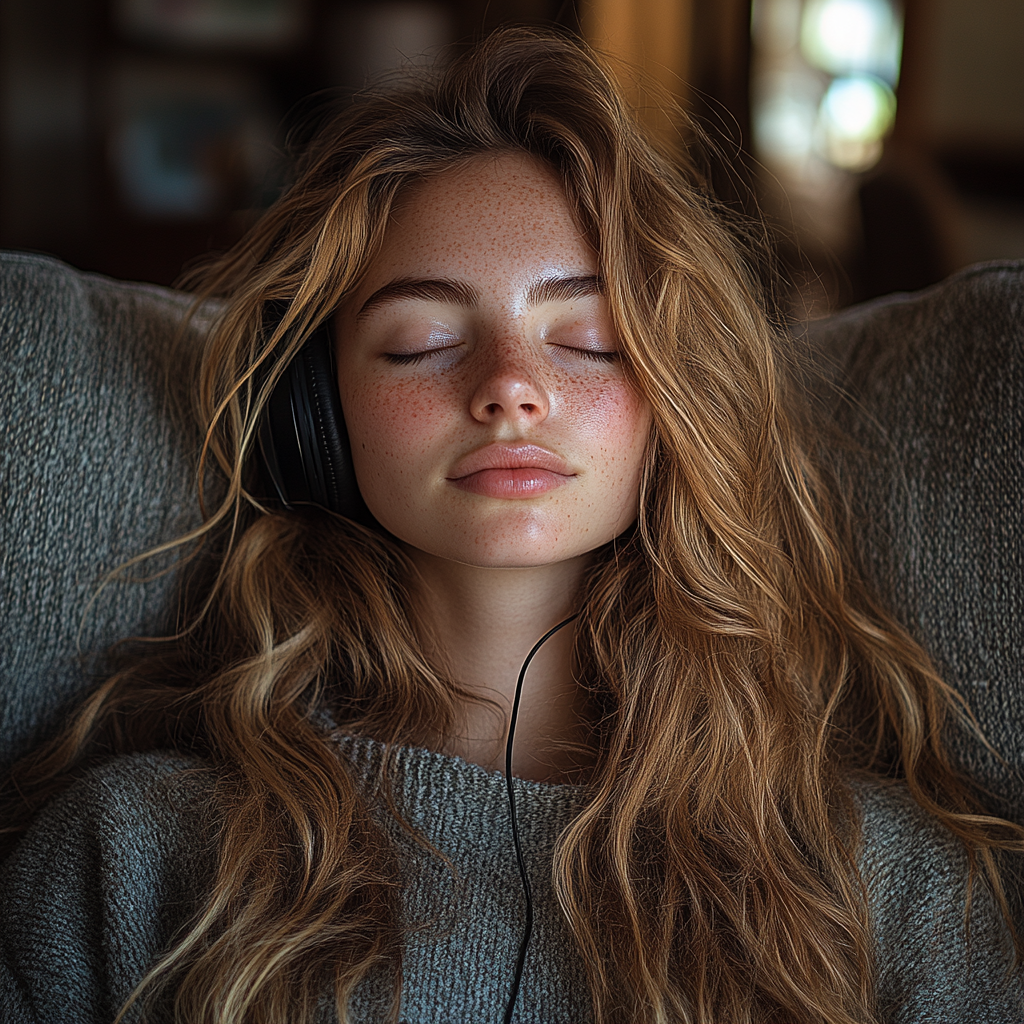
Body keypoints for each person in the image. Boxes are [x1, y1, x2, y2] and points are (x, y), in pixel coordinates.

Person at [0, 26, 1021, 1024]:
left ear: (680, 402)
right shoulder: (133, 860)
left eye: (585, 338)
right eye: (421, 341)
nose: (510, 390)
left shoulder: (882, 893)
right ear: (313, 414)